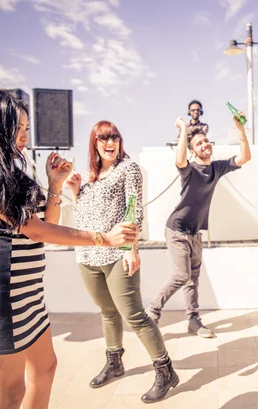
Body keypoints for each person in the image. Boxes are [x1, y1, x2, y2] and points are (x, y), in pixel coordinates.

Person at [0, 90, 136, 409]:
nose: (24, 137)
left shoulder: (15, 175)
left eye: (26, 129)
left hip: (28, 293)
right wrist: (102, 238)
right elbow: (32, 228)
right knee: (9, 396)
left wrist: (55, 186)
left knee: (46, 370)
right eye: (17, 129)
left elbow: (42, 231)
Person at [65, 121, 178, 403]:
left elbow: (133, 209)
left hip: (117, 254)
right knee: (107, 312)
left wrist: (132, 248)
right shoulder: (88, 176)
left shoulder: (128, 168)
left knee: (134, 315)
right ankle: (115, 363)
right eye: (103, 138)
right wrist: (75, 192)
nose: (109, 142)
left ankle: (165, 370)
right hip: (88, 254)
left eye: (114, 137)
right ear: (94, 143)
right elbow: (85, 214)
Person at [148, 113, 252, 337]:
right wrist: (184, 130)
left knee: (193, 279)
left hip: (195, 232)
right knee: (181, 276)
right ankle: (153, 311)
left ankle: (193, 321)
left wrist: (240, 129)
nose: (204, 144)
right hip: (176, 230)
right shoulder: (189, 170)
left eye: (206, 141)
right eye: (199, 143)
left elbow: (244, 158)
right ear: (192, 150)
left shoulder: (217, 168)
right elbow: (179, 160)